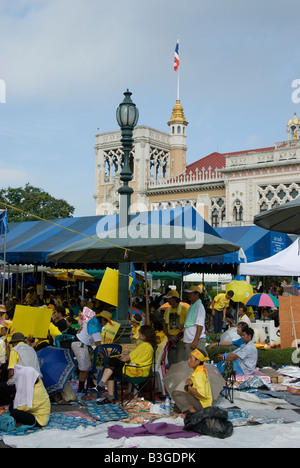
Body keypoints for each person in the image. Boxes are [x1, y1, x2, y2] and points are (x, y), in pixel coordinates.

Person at [96, 325, 157, 404]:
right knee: (111, 368)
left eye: (140, 333)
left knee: (112, 362)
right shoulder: (148, 346)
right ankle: (105, 390)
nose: (139, 335)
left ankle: (103, 387)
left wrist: (121, 357)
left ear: (144, 335)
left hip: (135, 372)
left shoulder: (143, 346)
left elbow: (126, 359)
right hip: (142, 370)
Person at [71, 310, 112, 393]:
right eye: (106, 322)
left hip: (80, 344)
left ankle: (90, 384)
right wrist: (106, 354)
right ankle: (81, 388)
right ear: (102, 319)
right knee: (84, 368)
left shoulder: (93, 321)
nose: (106, 324)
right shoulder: (96, 327)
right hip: (80, 345)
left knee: (88, 366)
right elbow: (98, 345)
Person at [172, 348, 212, 417]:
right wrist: (190, 382)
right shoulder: (201, 369)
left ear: (198, 361)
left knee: (176, 394)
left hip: (203, 405)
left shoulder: (199, 374)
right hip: (204, 404)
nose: (188, 360)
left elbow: (202, 394)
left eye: (191, 358)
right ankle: (189, 412)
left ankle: (194, 413)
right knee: (179, 401)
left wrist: (189, 388)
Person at [163, 290, 188, 366]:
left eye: (169, 298)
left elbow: (189, 324)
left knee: (180, 362)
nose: (168, 300)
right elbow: (164, 324)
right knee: (172, 362)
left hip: (181, 339)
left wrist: (183, 325)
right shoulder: (167, 310)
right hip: (171, 340)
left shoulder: (184, 309)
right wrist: (167, 336)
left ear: (174, 299)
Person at [183, 286, 207, 358]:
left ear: (197, 295)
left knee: (199, 363)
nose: (188, 295)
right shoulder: (192, 305)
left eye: (190, 293)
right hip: (190, 340)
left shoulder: (199, 306)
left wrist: (195, 341)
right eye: (188, 293)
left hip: (195, 341)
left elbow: (200, 325)